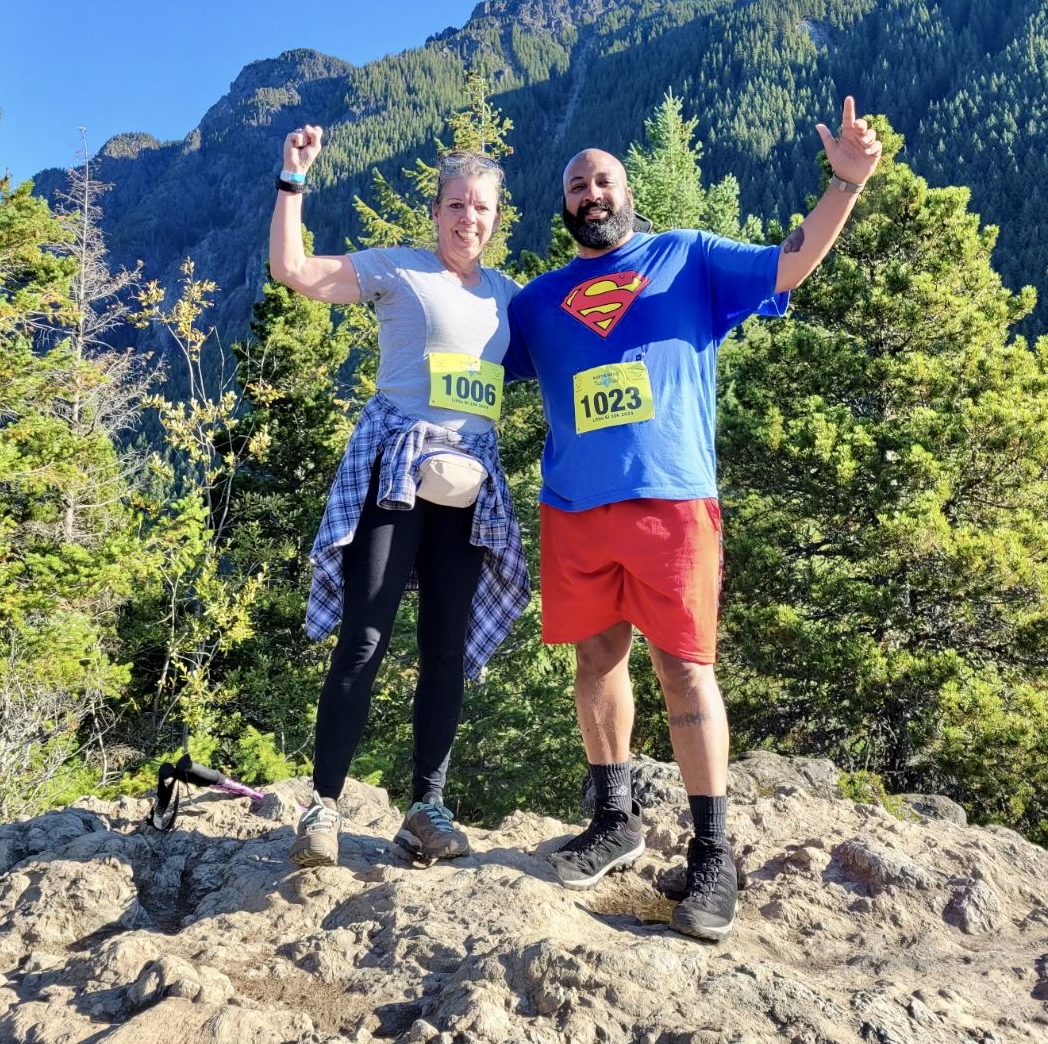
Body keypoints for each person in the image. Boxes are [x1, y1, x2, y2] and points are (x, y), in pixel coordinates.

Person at [504, 96, 881, 940]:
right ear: (563, 206)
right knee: (597, 661)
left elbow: (791, 262)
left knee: (684, 667)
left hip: (673, 500)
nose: (590, 193)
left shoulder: (689, 259)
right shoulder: (535, 304)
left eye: (602, 180)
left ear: (627, 192)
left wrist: (844, 186)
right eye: (575, 186)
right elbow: (464, 344)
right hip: (574, 510)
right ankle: (614, 819)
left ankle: (713, 855)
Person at [268, 126, 529, 867]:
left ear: (496, 218)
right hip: (395, 474)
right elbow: (292, 269)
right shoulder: (399, 271)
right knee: (366, 637)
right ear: (436, 211)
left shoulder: (509, 297)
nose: (467, 219)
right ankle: (322, 808)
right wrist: (293, 180)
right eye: (455, 204)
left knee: (446, 651)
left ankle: (427, 808)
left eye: (480, 207)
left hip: (469, 486)